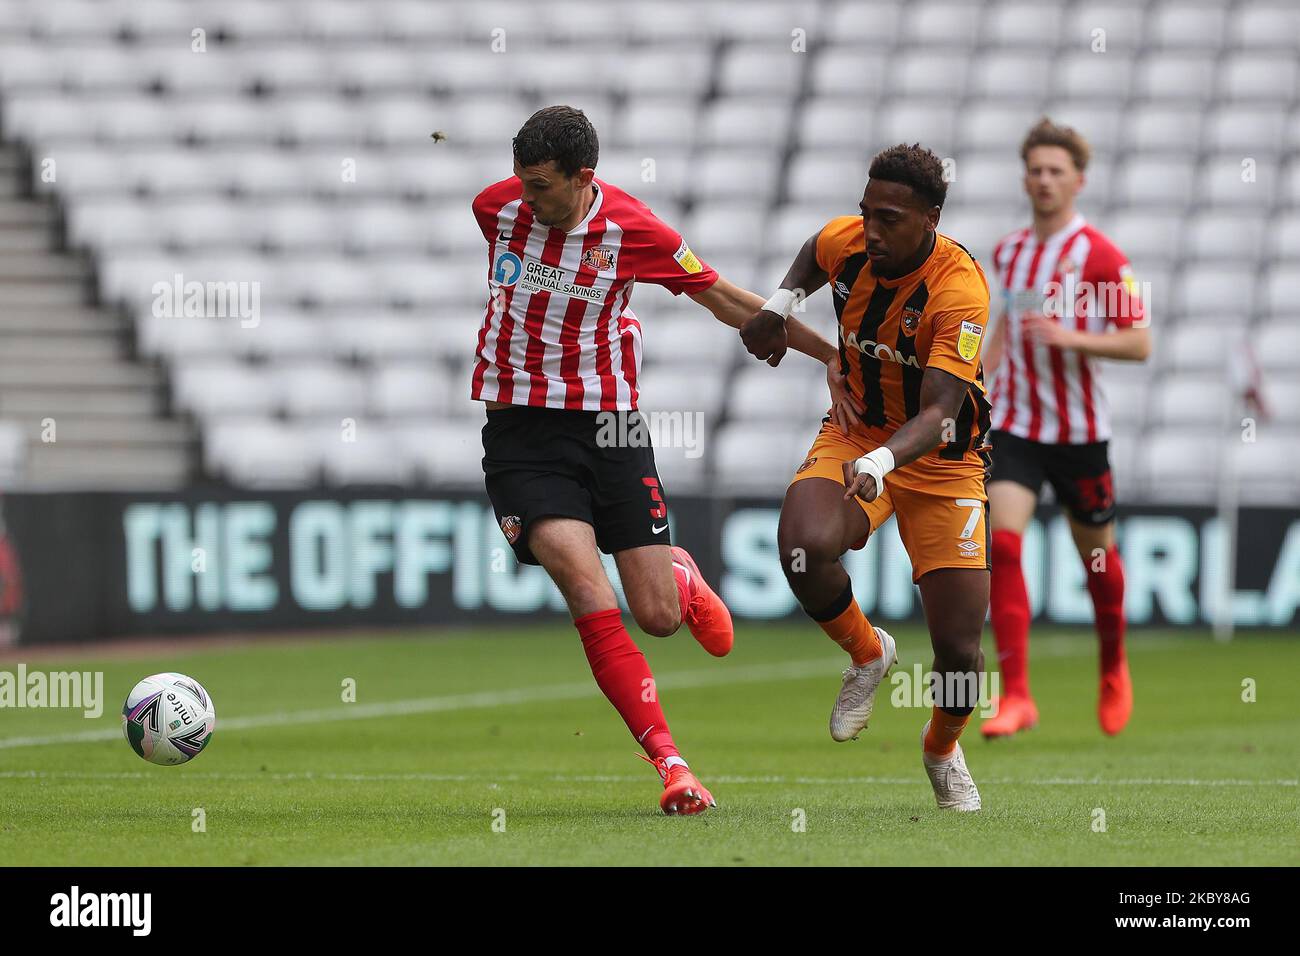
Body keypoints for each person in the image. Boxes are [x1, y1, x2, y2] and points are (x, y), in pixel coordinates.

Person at [471, 105, 843, 814]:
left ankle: (679, 577)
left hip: (610, 431)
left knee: (660, 617)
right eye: (521, 182)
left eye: (543, 186)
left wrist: (829, 356)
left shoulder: (635, 232)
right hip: (521, 440)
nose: (527, 198)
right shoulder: (496, 210)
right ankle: (672, 765)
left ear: (585, 178)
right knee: (587, 589)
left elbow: (730, 300)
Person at [742, 144, 993, 811]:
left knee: (960, 654)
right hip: (857, 432)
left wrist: (882, 465)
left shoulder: (958, 291)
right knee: (802, 547)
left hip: (942, 461)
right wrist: (778, 305)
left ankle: (941, 748)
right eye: (866, 213)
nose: (872, 231)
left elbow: (941, 414)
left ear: (931, 217)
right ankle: (867, 653)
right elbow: (813, 253)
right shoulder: (846, 242)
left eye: (890, 219)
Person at [981, 118, 1151, 739]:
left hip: (1079, 435)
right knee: (1002, 546)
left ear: (1079, 180)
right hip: (1018, 427)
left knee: (1098, 558)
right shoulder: (1010, 251)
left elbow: (1140, 342)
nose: (1044, 180)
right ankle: (1018, 696)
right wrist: (976, 376)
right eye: (1036, 170)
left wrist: (1071, 336)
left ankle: (1112, 667)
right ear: (1025, 177)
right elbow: (1006, 324)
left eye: (1057, 171)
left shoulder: (1100, 255)